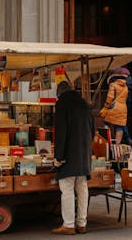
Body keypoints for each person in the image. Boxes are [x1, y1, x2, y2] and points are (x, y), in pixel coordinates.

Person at [52, 81, 95, 235]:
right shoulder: (84, 104)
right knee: (82, 188)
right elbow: (93, 130)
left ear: (59, 93)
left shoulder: (62, 104)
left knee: (67, 189)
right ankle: (82, 223)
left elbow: (61, 132)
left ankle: (69, 225)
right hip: (84, 154)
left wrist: (59, 157)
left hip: (69, 155)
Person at [100, 67, 132, 145]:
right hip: (123, 108)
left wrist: (106, 105)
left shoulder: (113, 85)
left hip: (113, 107)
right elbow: (127, 99)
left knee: (106, 123)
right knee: (119, 127)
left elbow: (110, 97)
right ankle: (117, 146)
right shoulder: (126, 87)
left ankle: (108, 142)